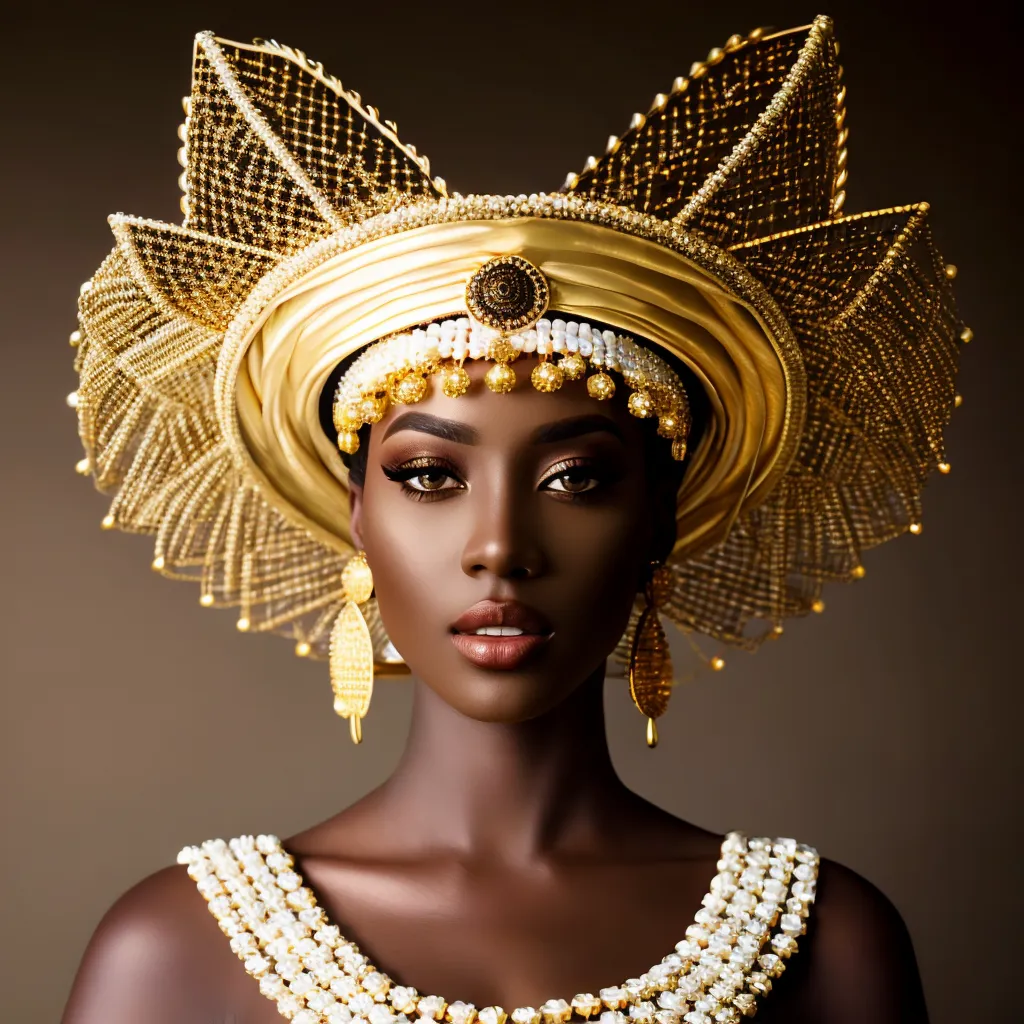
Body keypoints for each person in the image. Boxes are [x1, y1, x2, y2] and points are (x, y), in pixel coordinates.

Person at [60, 16, 962, 1024]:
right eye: (430, 476)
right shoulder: (178, 953)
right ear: (357, 516)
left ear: (658, 522)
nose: (499, 546)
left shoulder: (822, 939)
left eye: (575, 479)